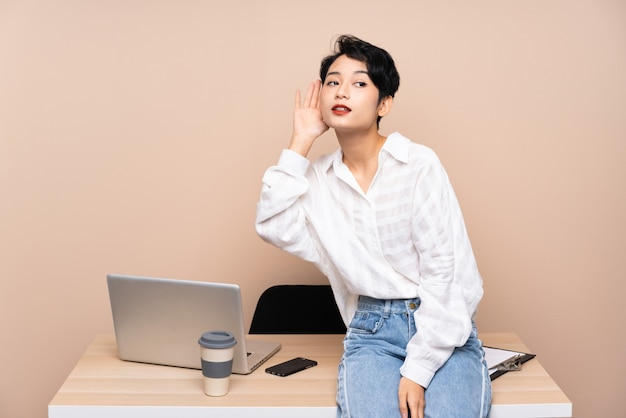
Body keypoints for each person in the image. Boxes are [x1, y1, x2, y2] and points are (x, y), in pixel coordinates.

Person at [255, 35, 491, 418]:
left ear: (385, 103)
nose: (341, 91)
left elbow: (444, 276)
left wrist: (418, 370)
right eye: (333, 82)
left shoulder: (417, 165)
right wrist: (300, 141)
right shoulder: (316, 180)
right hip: (372, 331)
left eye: (359, 82)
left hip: (442, 325)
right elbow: (272, 224)